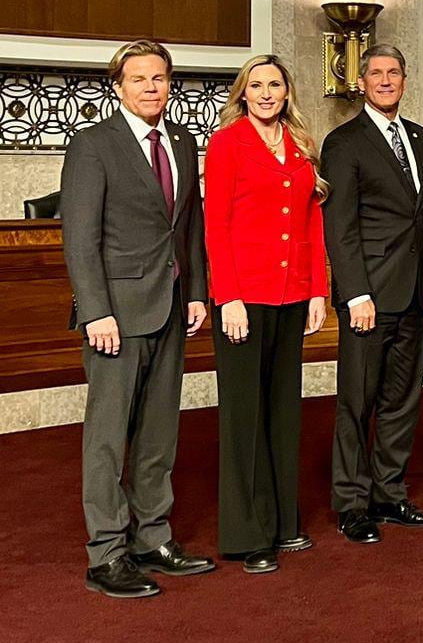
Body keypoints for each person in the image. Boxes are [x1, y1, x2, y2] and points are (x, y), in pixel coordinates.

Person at [62, 40, 215, 598]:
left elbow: (188, 227)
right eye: (139, 79)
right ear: (118, 86)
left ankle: (153, 537)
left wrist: (197, 292)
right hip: (116, 315)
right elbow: (80, 239)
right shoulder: (92, 144)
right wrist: (96, 310)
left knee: (158, 433)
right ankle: (106, 553)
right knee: (107, 436)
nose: (151, 87)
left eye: (160, 78)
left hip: (173, 306)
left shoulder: (182, 141)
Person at [204, 55, 328, 574]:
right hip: (245, 297)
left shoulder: (300, 145)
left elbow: (312, 220)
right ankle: (246, 532)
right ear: (243, 92)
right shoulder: (227, 143)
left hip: (291, 292)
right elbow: (216, 226)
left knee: (283, 410)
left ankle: (282, 522)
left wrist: (318, 289)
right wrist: (227, 296)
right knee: (244, 415)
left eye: (275, 84)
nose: (266, 93)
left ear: (286, 91)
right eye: (256, 85)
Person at [321, 44, 423, 544]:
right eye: (376, 73)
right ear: (363, 82)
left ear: (405, 79)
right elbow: (341, 226)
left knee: (402, 399)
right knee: (358, 401)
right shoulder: (344, 142)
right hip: (368, 296)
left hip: (415, 291)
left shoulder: (421, 139)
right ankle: (352, 503)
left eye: (394, 72)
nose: (385, 80)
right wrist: (354, 292)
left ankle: (389, 492)